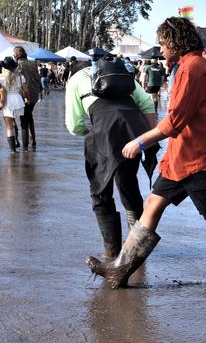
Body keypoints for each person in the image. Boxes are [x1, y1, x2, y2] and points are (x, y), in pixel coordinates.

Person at [86, 17, 206, 293]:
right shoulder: (204, 68)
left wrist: (139, 142)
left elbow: (174, 121)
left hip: (196, 160)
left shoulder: (191, 70)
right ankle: (119, 270)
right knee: (152, 203)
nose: (161, 50)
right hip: (184, 159)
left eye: (164, 44)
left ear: (176, 43)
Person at [65, 53, 159, 260]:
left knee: (100, 191)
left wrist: (90, 133)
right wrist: (150, 136)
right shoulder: (120, 72)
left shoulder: (75, 80)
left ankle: (112, 250)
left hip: (105, 130)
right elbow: (146, 104)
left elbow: (73, 124)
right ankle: (136, 246)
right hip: (133, 129)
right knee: (127, 183)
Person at [14, 46, 40, 151]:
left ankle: (25, 147)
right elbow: (37, 79)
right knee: (29, 116)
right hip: (34, 95)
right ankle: (32, 139)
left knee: (23, 120)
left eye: (14, 53)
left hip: (23, 95)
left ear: (18, 54)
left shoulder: (17, 66)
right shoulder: (33, 64)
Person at [0, 57, 27, 153]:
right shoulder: (20, 77)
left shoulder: (1, 78)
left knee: (9, 127)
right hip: (18, 100)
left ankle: (13, 150)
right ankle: (21, 144)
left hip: (7, 101)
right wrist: (27, 98)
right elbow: (25, 91)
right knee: (19, 123)